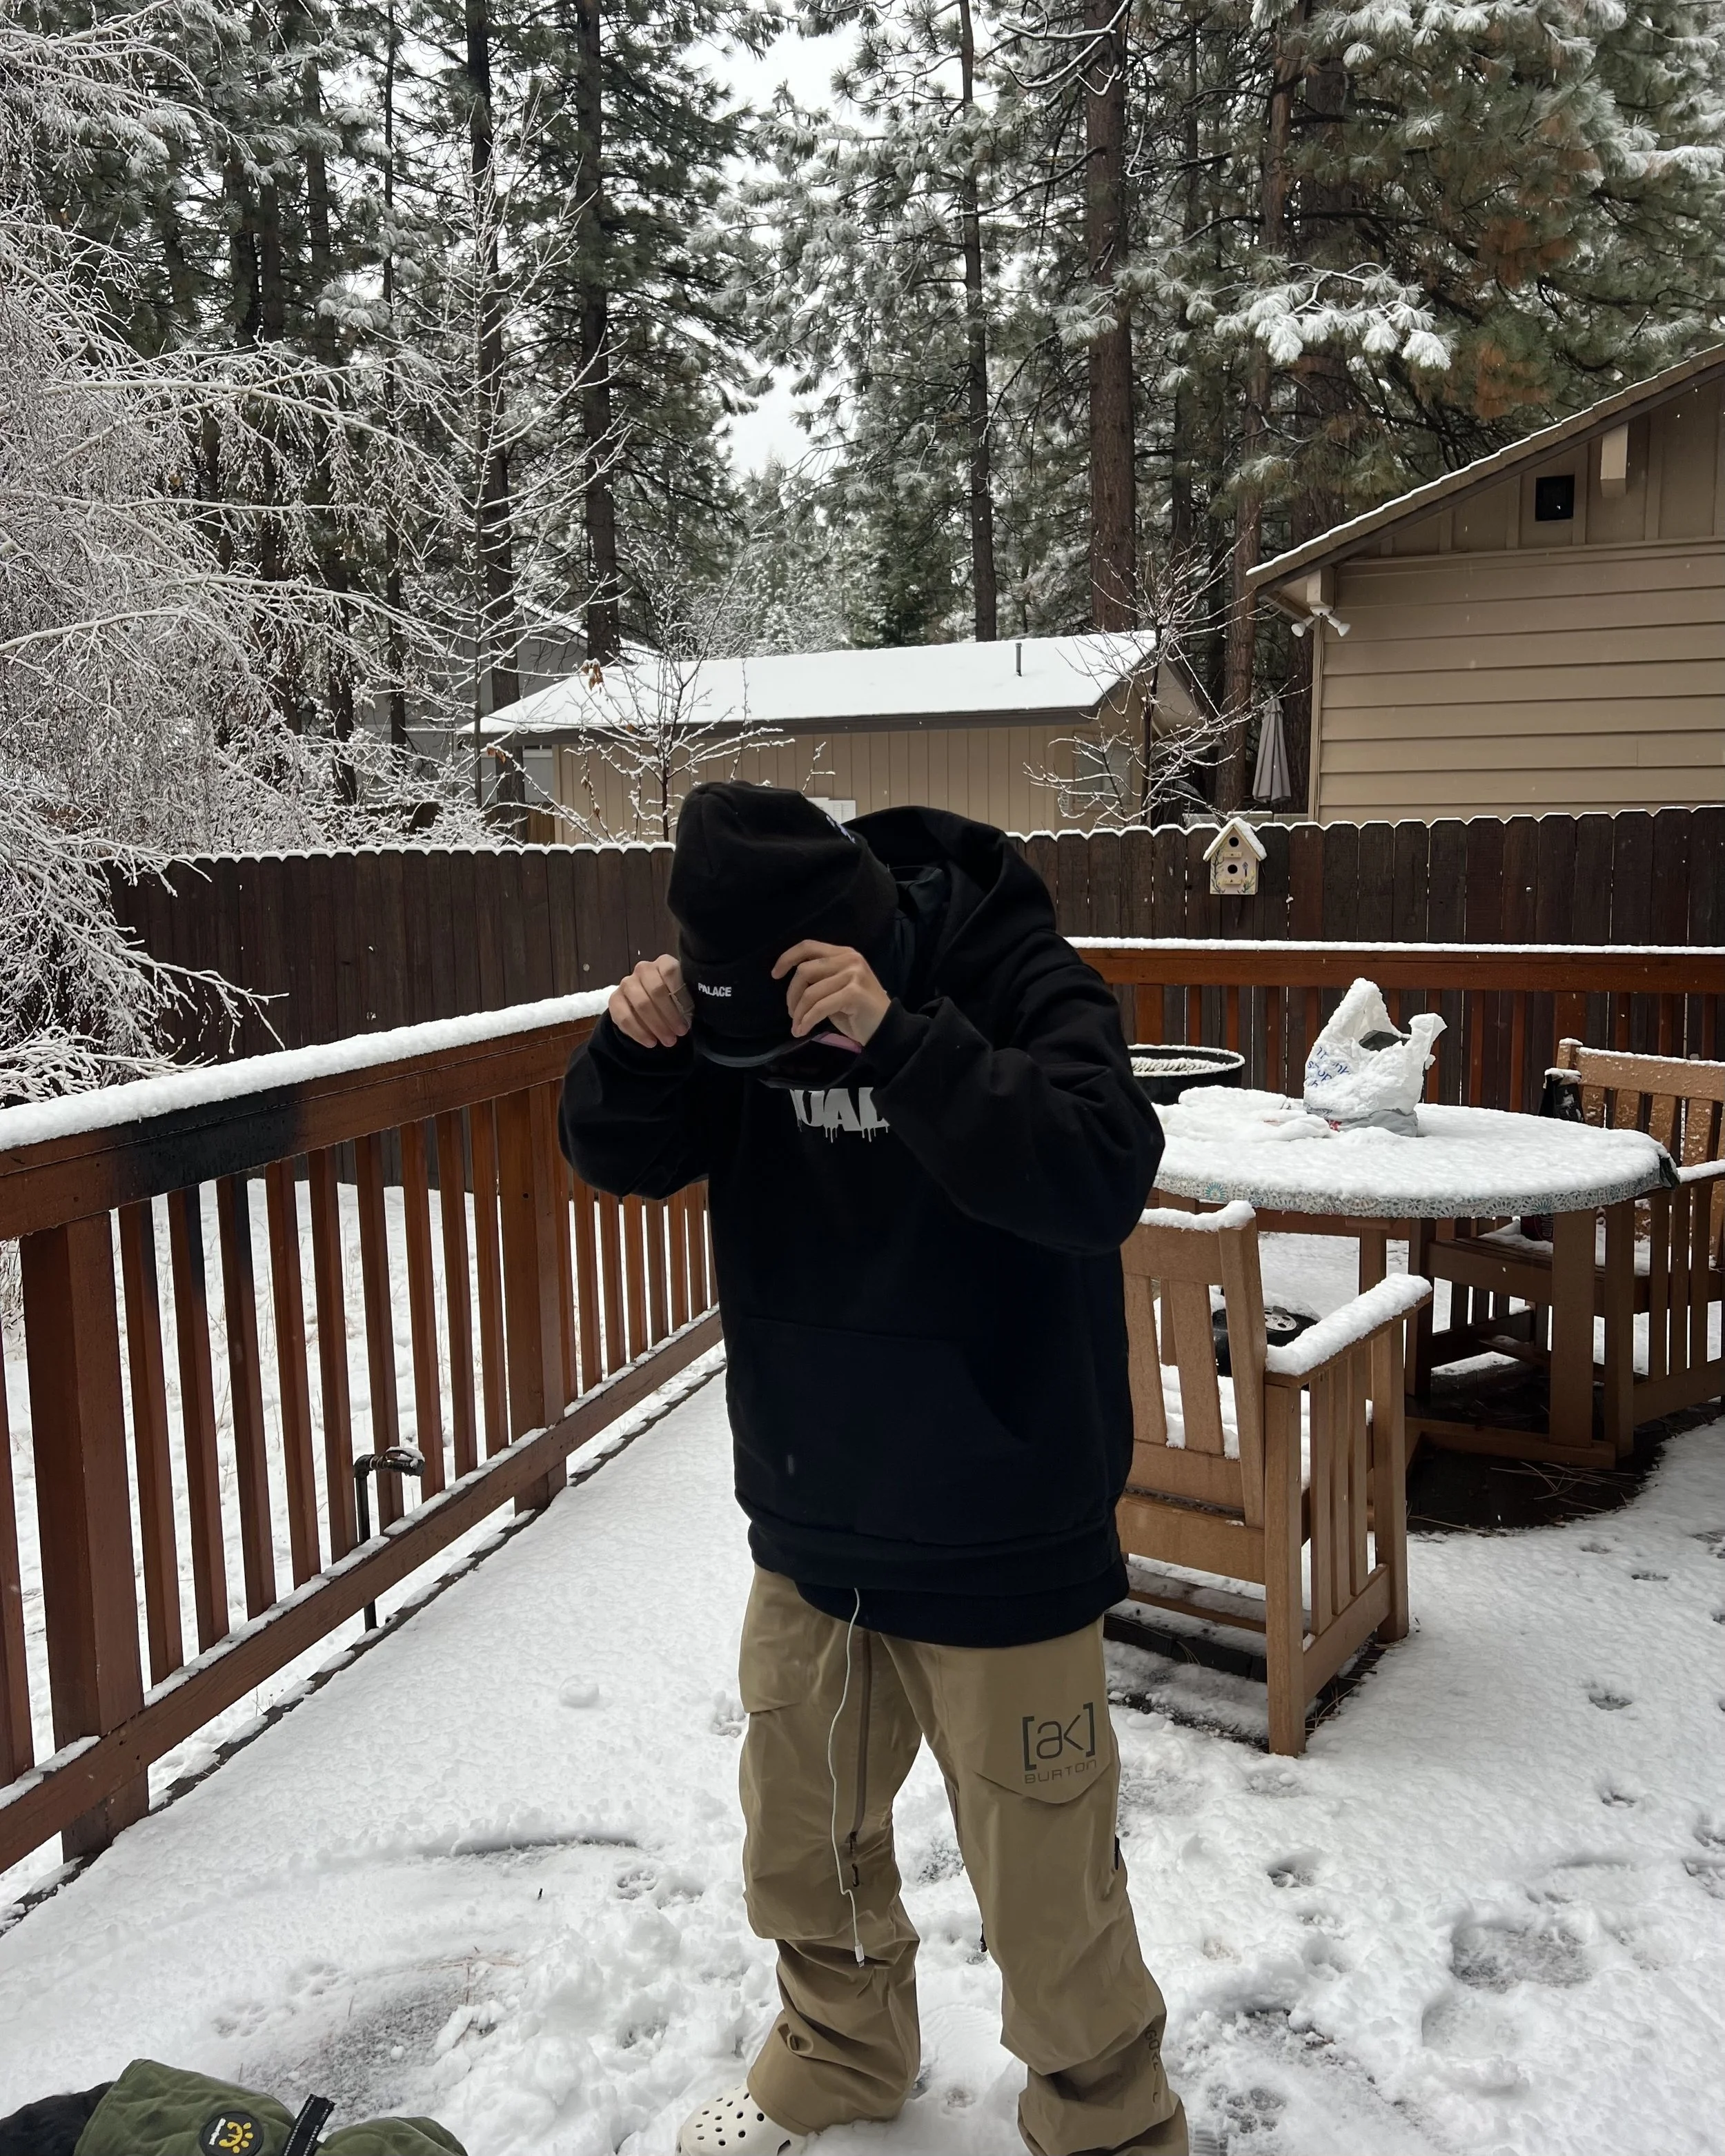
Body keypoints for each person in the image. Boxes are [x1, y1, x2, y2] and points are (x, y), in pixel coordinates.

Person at [560, 783, 1199, 2156]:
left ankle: (1111, 2123)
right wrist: (634, 1049)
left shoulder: (1007, 964)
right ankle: (839, 2053)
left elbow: (1100, 1168)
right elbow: (616, 1150)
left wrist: (903, 1045)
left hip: (1001, 1525)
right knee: (803, 1839)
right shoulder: (734, 1023)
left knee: (1046, 1883)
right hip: (815, 1509)